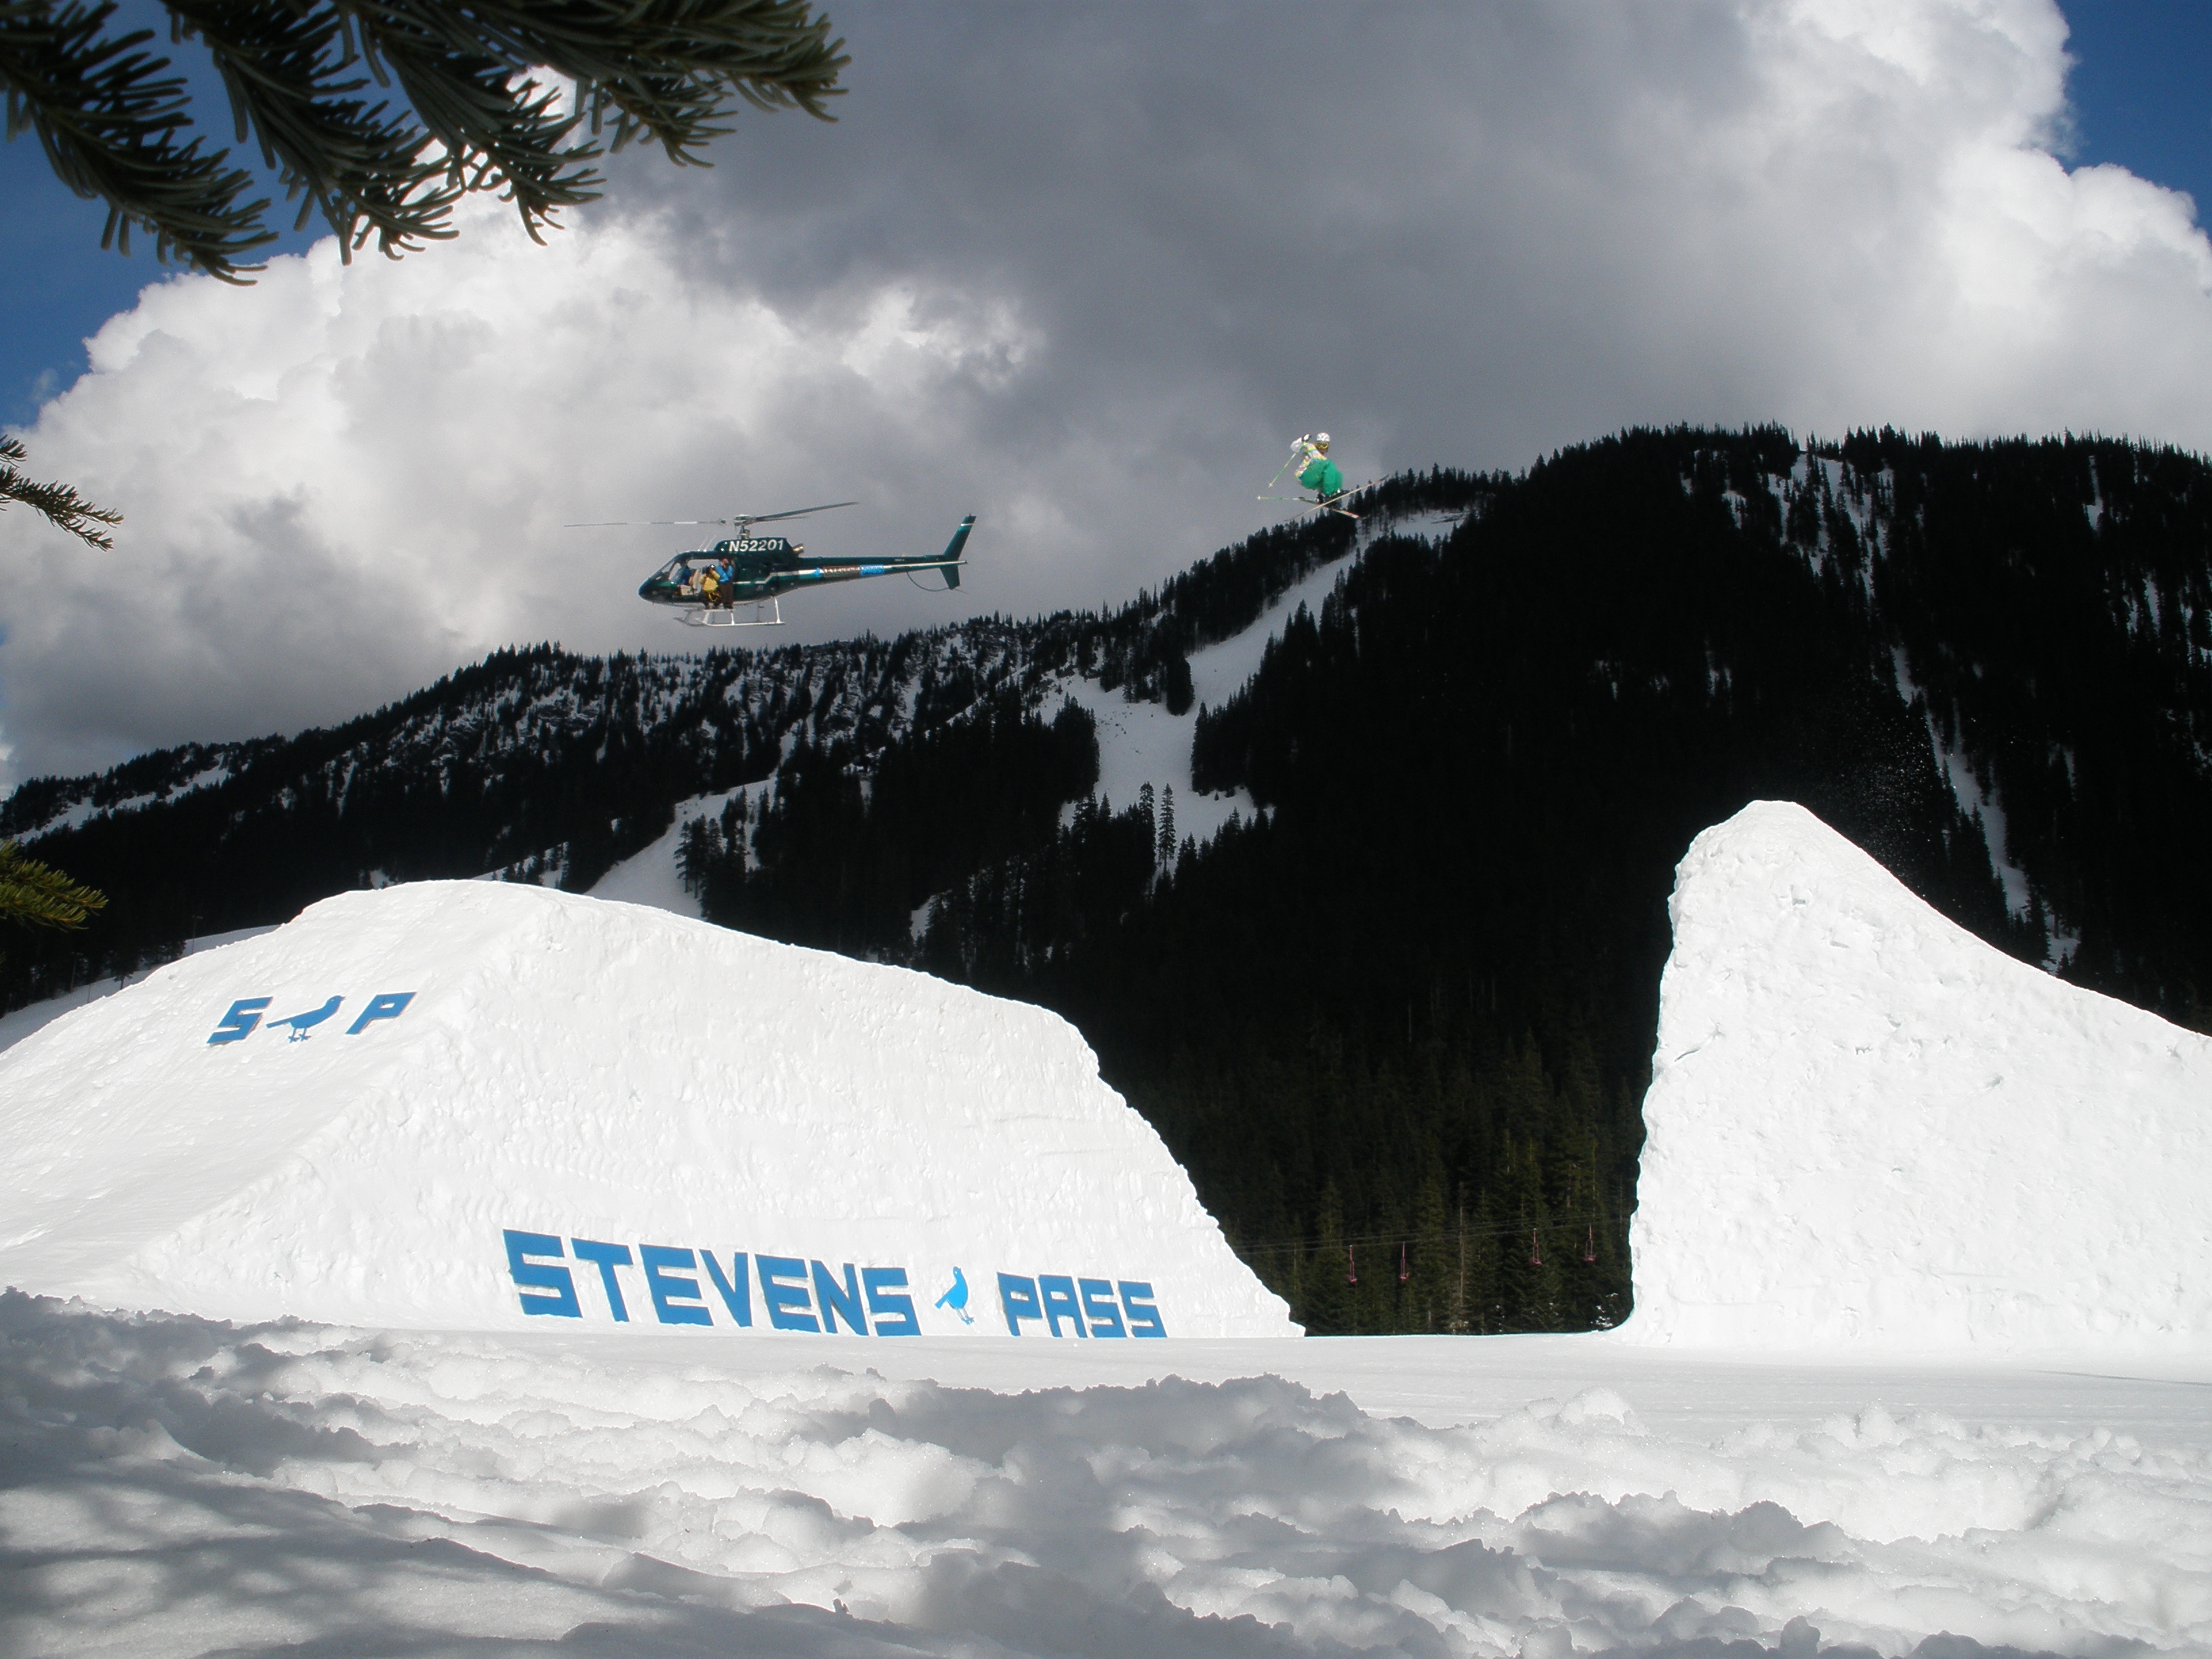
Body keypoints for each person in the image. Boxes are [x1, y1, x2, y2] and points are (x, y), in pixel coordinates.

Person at [1292, 432, 1344, 501]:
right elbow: (1294, 447)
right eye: (1319, 445)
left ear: (1328, 446)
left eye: (1324, 446)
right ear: (1316, 444)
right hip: (1305, 475)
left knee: (1337, 474)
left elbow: (1326, 480)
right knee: (1329, 465)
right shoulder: (1311, 448)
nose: (1322, 448)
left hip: (1314, 480)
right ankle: (1329, 493)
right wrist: (1302, 440)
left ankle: (1334, 494)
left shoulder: (1324, 460)